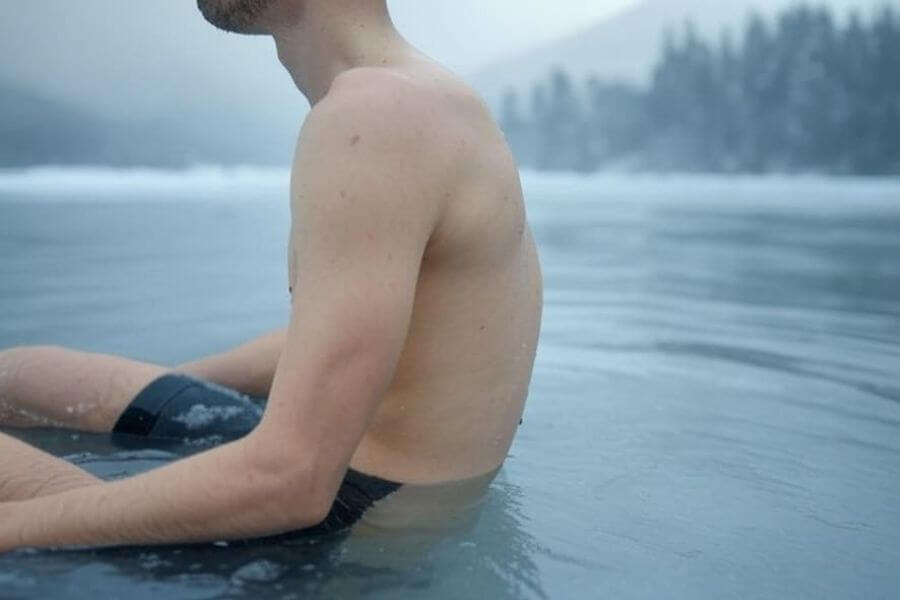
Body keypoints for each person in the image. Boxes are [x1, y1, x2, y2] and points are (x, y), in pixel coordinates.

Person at [0, 0, 542, 550]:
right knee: (16, 378)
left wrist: (16, 527)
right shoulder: (412, 96)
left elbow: (293, 482)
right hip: (353, 471)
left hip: (346, 534)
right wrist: (167, 383)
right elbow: (386, 339)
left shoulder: (379, 115)